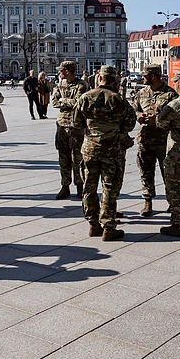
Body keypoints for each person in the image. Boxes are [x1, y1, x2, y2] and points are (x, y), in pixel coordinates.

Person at [73, 65, 136, 242]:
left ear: (99, 78)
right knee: (109, 187)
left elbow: (76, 123)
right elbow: (130, 123)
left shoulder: (85, 97)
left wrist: (91, 130)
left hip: (90, 149)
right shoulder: (119, 100)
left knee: (89, 187)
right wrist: (115, 131)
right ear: (114, 81)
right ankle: (109, 227)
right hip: (112, 150)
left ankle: (93, 224)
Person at [144, 70, 180, 237]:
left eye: (175, 82)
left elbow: (161, 122)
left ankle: (176, 224)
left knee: (175, 187)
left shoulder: (176, 104)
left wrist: (151, 119)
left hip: (178, 151)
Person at [132, 64, 178, 216]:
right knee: (145, 172)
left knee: (168, 174)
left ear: (153, 76)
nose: (142, 78)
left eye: (144, 76)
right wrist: (138, 115)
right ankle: (147, 202)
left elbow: (176, 117)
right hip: (145, 139)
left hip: (164, 141)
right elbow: (134, 109)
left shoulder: (170, 94)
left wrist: (157, 120)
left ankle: (172, 203)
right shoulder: (141, 93)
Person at [51, 61, 89, 200]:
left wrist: (63, 100)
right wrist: (67, 101)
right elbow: (54, 102)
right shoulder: (60, 84)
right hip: (62, 125)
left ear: (67, 71)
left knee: (77, 158)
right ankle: (65, 186)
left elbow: (80, 103)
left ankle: (80, 187)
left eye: (61, 71)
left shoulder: (81, 85)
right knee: (63, 157)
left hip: (76, 126)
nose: (59, 73)